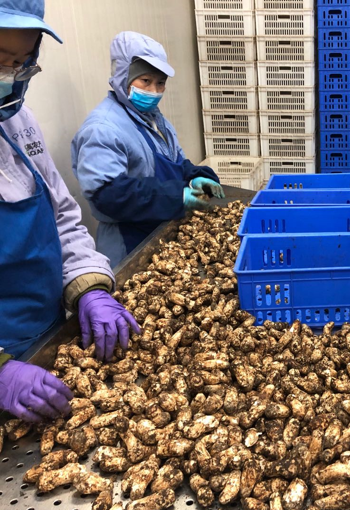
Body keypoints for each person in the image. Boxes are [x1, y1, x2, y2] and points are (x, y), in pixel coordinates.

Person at [0, 0, 140, 423]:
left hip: (46, 336)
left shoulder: (17, 122)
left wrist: (87, 286)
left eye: (20, 63)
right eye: (0, 57)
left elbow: (61, 215)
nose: (8, 74)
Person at [72, 32, 224, 268]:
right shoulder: (102, 129)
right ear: (123, 76)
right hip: (130, 242)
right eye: (145, 81)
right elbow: (109, 195)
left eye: (160, 83)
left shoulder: (153, 118)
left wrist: (196, 176)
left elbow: (174, 162)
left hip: (162, 230)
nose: (154, 90)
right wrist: (177, 196)